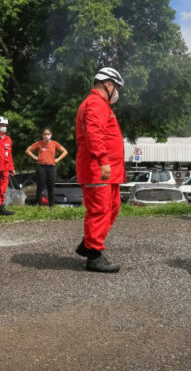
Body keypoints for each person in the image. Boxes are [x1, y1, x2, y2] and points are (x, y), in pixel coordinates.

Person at [74, 67, 125, 273]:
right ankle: (93, 255)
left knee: (112, 207)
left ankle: (88, 244)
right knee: (99, 210)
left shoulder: (101, 105)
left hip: (108, 169)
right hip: (98, 167)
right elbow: (94, 133)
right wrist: (103, 160)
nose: (117, 93)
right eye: (117, 87)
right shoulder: (95, 104)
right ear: (109, 84)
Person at [25, 128, 68, 207]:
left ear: (51, 135)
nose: (46, 136)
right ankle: (40, 205)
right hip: (41, 166)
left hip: (51, 166)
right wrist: (35, 157)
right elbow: (28, 150)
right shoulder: (39, 143)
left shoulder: (54, 143)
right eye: (45, 134)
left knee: (50, 186)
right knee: (40, 186)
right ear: (42, 135)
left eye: (48, 134)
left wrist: (57, 159)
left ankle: (51, 205)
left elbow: (65, 151)